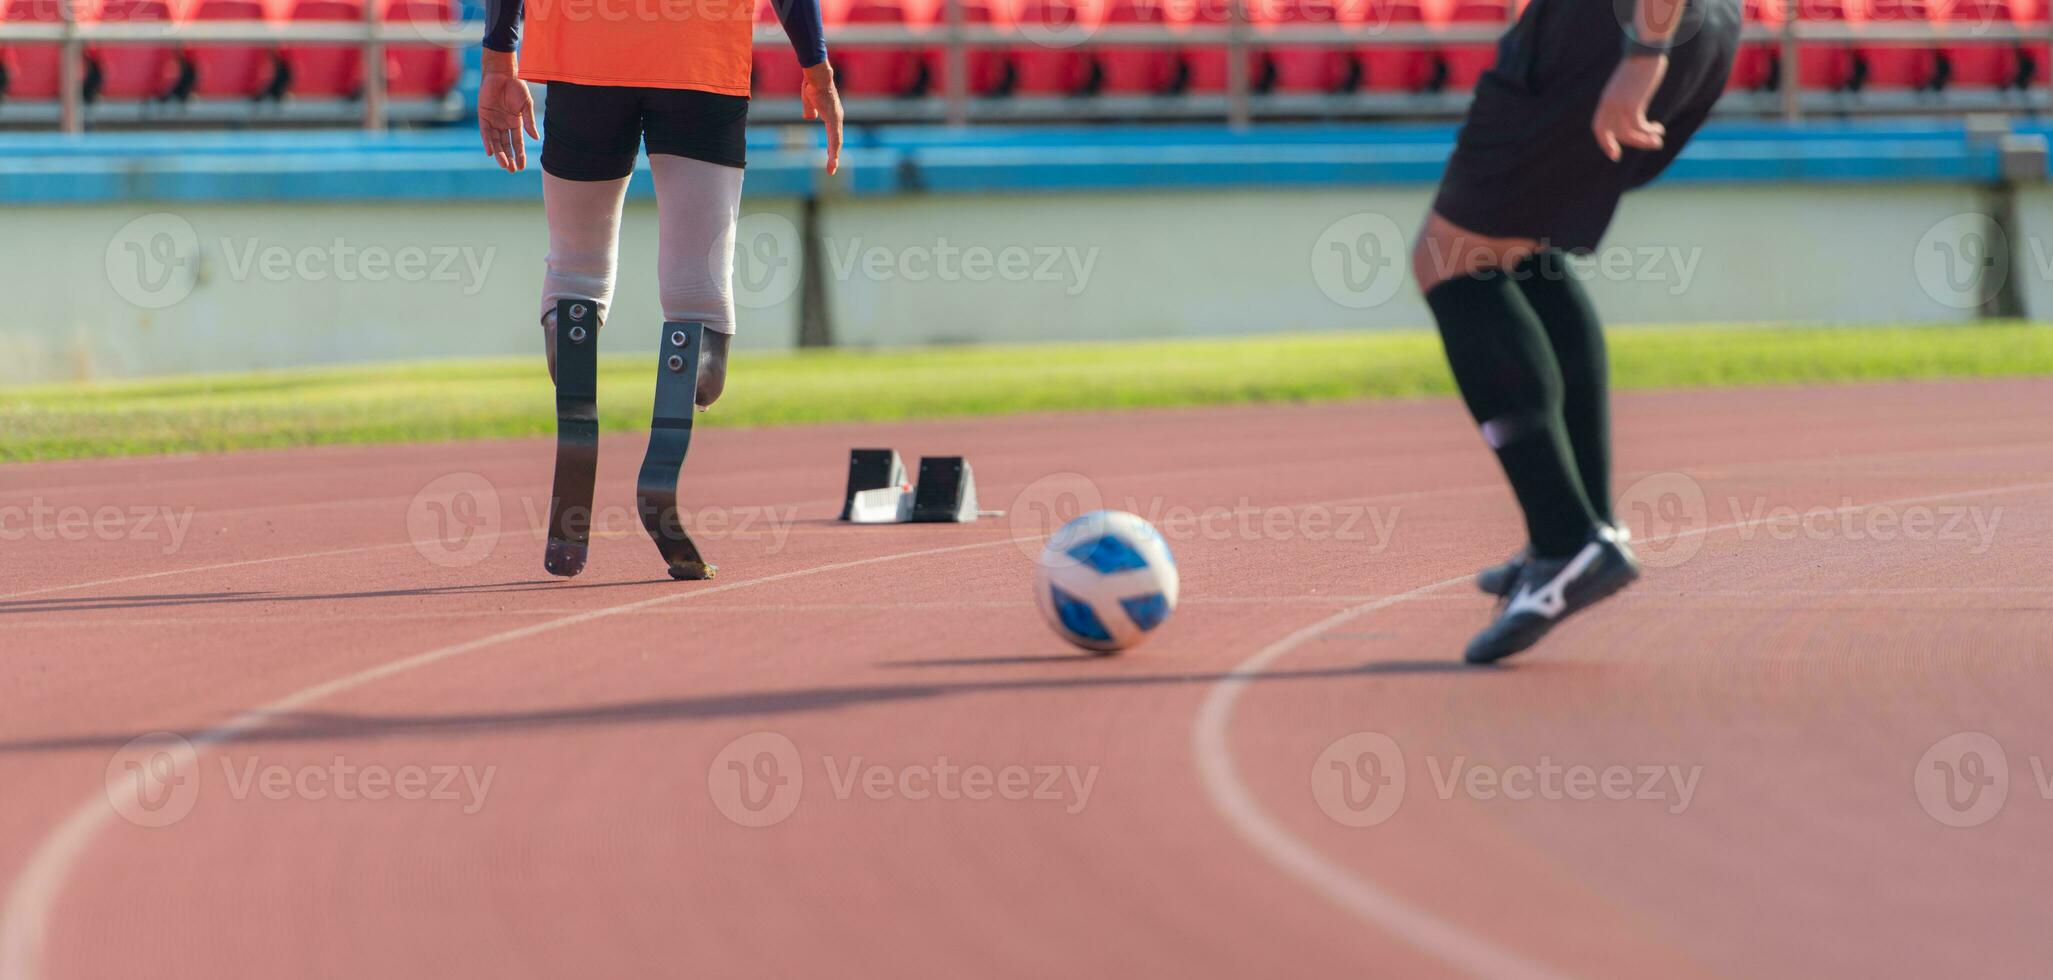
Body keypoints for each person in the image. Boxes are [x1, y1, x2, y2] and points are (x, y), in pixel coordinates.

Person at [1414, 0, 1739, 662]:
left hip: (1613, 28)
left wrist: (1642, 54)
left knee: (1450, 259)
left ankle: (1566, 540)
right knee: (1518, 250)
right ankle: (1583, 534)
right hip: (1648, 25)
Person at [473, 0, 844, 405]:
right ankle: (695, 359)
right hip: (700, 47)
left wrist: (498, 60)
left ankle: (572, 332)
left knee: (575, 276)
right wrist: (817, 69)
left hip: (584, 47)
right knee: (700, 294)